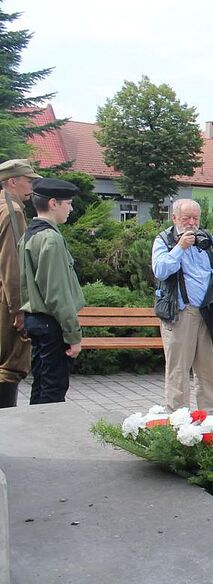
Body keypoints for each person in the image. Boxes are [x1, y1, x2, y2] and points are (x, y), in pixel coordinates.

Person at [152, 199, 213, 413]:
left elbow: (212, 273)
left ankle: (212, 414)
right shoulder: (164, 240)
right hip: (180, 313)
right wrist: (179, 247)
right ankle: (178, 416)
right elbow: (160, 270)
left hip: (207, 311)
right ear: (175, 217)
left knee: (208, 367)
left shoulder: (207, 238)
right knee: (178, 368)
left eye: (195, 218)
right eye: (187, 218)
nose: (192, 223)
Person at [18, 178, 84, 405]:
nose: (71, 208)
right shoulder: (51, 239)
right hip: (51, 325)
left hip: (37, 321)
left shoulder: (29, 234)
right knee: (53, 392)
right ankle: (47, 439)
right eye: (68, 203)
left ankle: (34, 437)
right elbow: (57, 295)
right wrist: (73, 336)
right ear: (54, 203)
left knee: (41, 386)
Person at [0, 159, 41, 408]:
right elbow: (12, 264)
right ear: (13, 181)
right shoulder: (12, 210)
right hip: (5, 302)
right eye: (29, 181)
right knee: (10, 365)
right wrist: (18, 308)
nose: (32, 186)